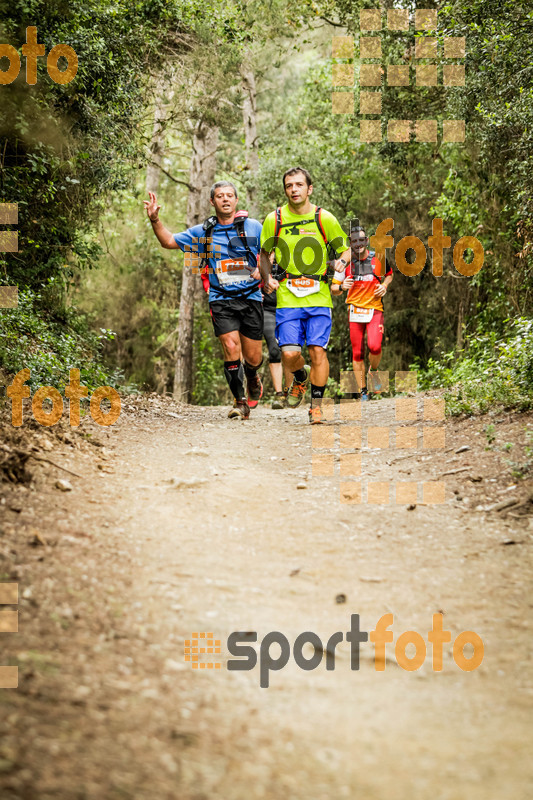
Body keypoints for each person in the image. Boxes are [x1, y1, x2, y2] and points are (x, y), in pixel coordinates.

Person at [144, 182, 263, 419]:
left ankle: (251, 374)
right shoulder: (203, 232)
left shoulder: (254, 227)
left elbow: (273, 254)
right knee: (230, 347)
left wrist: (263, 269)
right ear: (212, 202)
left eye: (230, 195)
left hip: (251, 297)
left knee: (253, 357)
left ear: (236, 200)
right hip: (221, 298)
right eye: (220, 196)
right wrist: (155, 220)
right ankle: (240, 402)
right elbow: (168, 241)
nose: (225, 199)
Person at [259, 167, 351, 424]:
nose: (294, 190)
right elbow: (264, 255)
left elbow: (346, 251)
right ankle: (300, 376)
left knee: (317, 352)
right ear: (285, 190)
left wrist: (339, 273)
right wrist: (267, 279)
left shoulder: (325, 218)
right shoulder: (274, 219)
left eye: (299, 185)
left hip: (319, 296)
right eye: (289, 186)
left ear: (309, 189)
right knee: (288, 354)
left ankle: (317, 405)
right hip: (288, 297)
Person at [331, 225, 393, 400]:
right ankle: (363, 391)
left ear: (366, 241)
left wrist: (384, 286)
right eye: (354, 241)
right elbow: (333, 288)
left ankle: (373, 371)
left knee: (375, 346)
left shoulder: (377, 259)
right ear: (350, 243)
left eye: (361, 240)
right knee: (357, 353)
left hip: (374, 310)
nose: (358, 244)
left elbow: (389, 274)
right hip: (355, 311)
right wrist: (341, 287)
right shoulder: (346, 263)